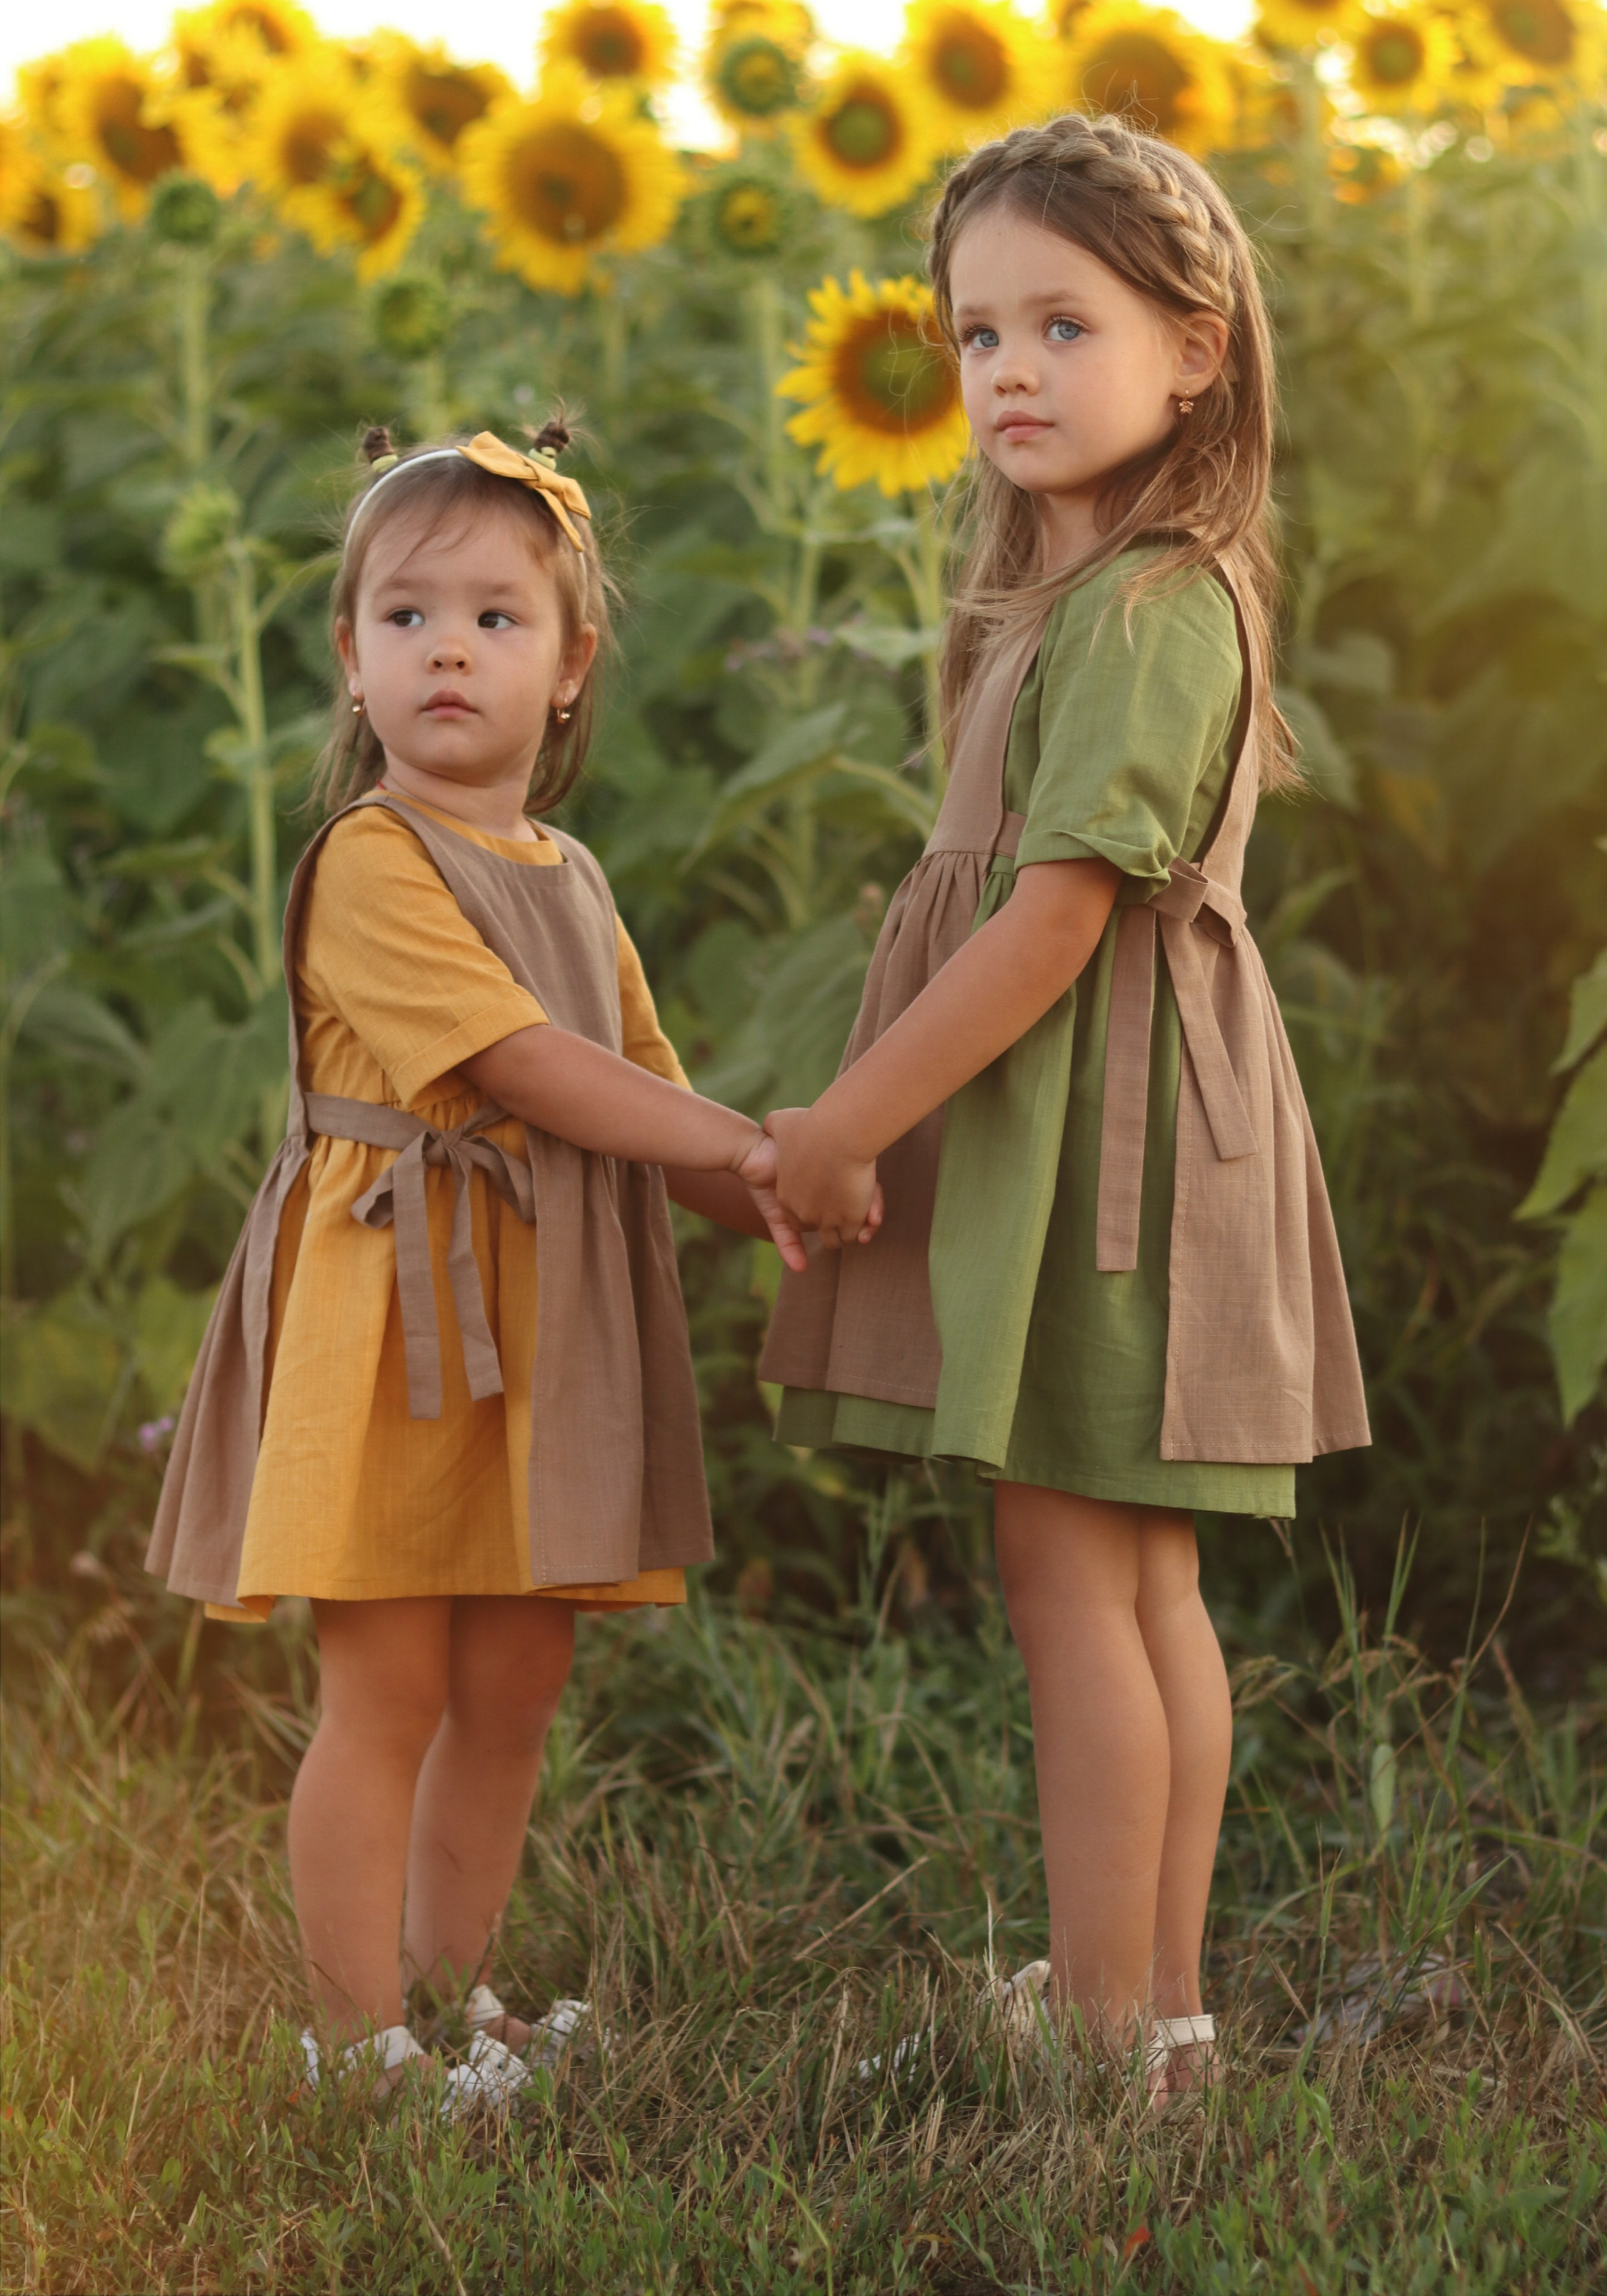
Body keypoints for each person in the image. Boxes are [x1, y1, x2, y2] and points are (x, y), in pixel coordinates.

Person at [761, 117, 1370, 2100]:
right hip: (1126, 1129)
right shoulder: (1096, 589)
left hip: (1104, 1152)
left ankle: (1113, 2028)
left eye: (1061, 325)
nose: (1006, 370)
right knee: (1132, 1576)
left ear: (1195, 351)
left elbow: (1052, 924)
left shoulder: (1139, 605)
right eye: (975, 334)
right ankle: (1157, 2011)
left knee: (1076, 1583)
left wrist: (846, 1121)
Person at [149, 418, 818, 2110]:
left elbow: (646, 1091)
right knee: (385, 1684)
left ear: (571, 664)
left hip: (545, 1331)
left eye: (496, 617)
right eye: (407, 615)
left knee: (516, 1681)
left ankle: (456, 1994)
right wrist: (752, 1146)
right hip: (394, 1317)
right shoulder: (369, 859)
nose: (448, 647)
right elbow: (523, 1067)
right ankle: (352, 2034)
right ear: (350, 657)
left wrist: (790, 1191)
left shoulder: (571, 876)